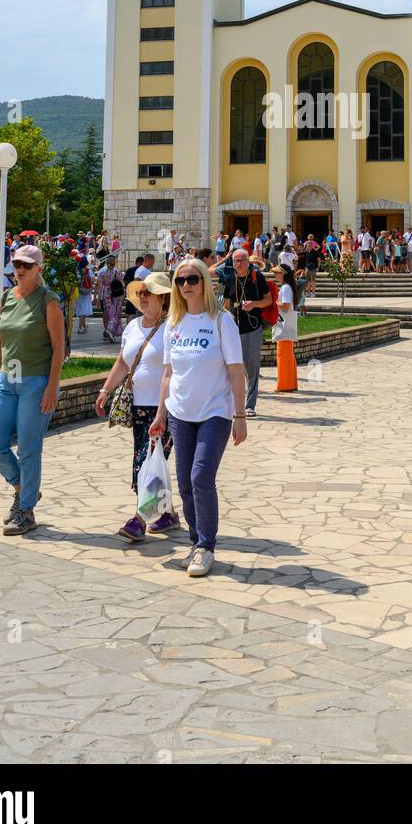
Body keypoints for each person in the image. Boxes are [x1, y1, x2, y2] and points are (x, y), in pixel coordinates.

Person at [150, 257, 247, 578]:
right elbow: (167, 374)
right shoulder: (173, 325)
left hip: (214, 412)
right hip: (180, 414)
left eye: (192, 279)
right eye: (180, 280)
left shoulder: (222, 321)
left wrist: (240, 415)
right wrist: (161, 413)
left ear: (204, 282)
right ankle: (195, 542)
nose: (186, 285)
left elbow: (236, 371)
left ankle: (207, 546)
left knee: (201, 478)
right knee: (185, 485)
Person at [0, 246, 65, 536]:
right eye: (17, 264)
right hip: (7, 380)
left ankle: (26, 510)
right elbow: (0, 342)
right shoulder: (6, 298)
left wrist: (52, 386)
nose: (20, 269)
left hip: (35, 382)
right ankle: (24, 489)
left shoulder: (48, 300)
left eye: (27, 266)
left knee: (29, 449)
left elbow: (59, 348)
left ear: (38, 269)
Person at [95, 271, 180, 541]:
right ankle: (168, 513)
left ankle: (139, 520)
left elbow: (174, 370)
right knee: (148, 462)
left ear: (163, 299)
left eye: (148, 293)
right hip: (138, 409)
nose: (142, 298)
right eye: (140, 293)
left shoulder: (172, 328)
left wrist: (163, 411)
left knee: (147, 463)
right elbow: (122, 362)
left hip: (164, 410)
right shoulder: (132, 327)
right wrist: (105, 390)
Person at [222, 246, 271, 417]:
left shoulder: (257, 278)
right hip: (233, 329)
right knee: (231, 368)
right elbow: (226, 305)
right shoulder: (229, 279)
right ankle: (232, 404)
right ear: (233, 262)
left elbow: (268, 300)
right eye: (237, 260)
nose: (240, 263)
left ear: (248, 262)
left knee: (251, 369)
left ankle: (250, 405)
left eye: (243, 260)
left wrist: (254, 304)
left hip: (252, 328)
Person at [273, 265, 299, 392]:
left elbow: (286, 306)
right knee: (287, 355)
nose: (275, 274)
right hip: (287, 325)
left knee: (283, 355)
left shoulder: (285, 288)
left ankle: (285, 384)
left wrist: (274, 302)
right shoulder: (287, 287)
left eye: (277, 272)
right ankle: (290, 383)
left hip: (284, 325)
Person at [96, 256, 125, 342]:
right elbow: (122, 284)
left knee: (109, 313)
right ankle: (110, 330)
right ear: (114, 262)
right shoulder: (118, 271)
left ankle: (109, 331)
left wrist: (98, 298)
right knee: (115, 314)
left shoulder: (102, 271)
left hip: (106, 295)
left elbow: (100, 286)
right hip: (117, 295)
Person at [73, 253, 94, 334]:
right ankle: (81, 327)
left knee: (81, 310)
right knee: (83, 311)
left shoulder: (76, 271)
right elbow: (92, 280)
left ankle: (83, 326)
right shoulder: (88, 271)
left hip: (79, 292)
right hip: (86, 292)